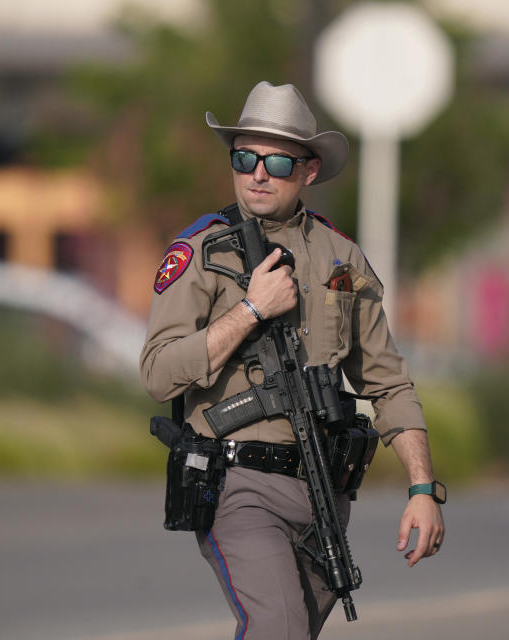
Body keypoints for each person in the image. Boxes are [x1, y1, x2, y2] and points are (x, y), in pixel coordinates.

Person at [140, 81, 445, 640]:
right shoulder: (203, 251)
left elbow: (388, 384)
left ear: (308, 171)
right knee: (277, 627)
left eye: (277, 160)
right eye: (244, 157)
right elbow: (157, 372)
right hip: (238, 485)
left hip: (324, 493)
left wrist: (423, 489)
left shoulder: (342, 258)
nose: (257, 172)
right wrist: (252, 309)